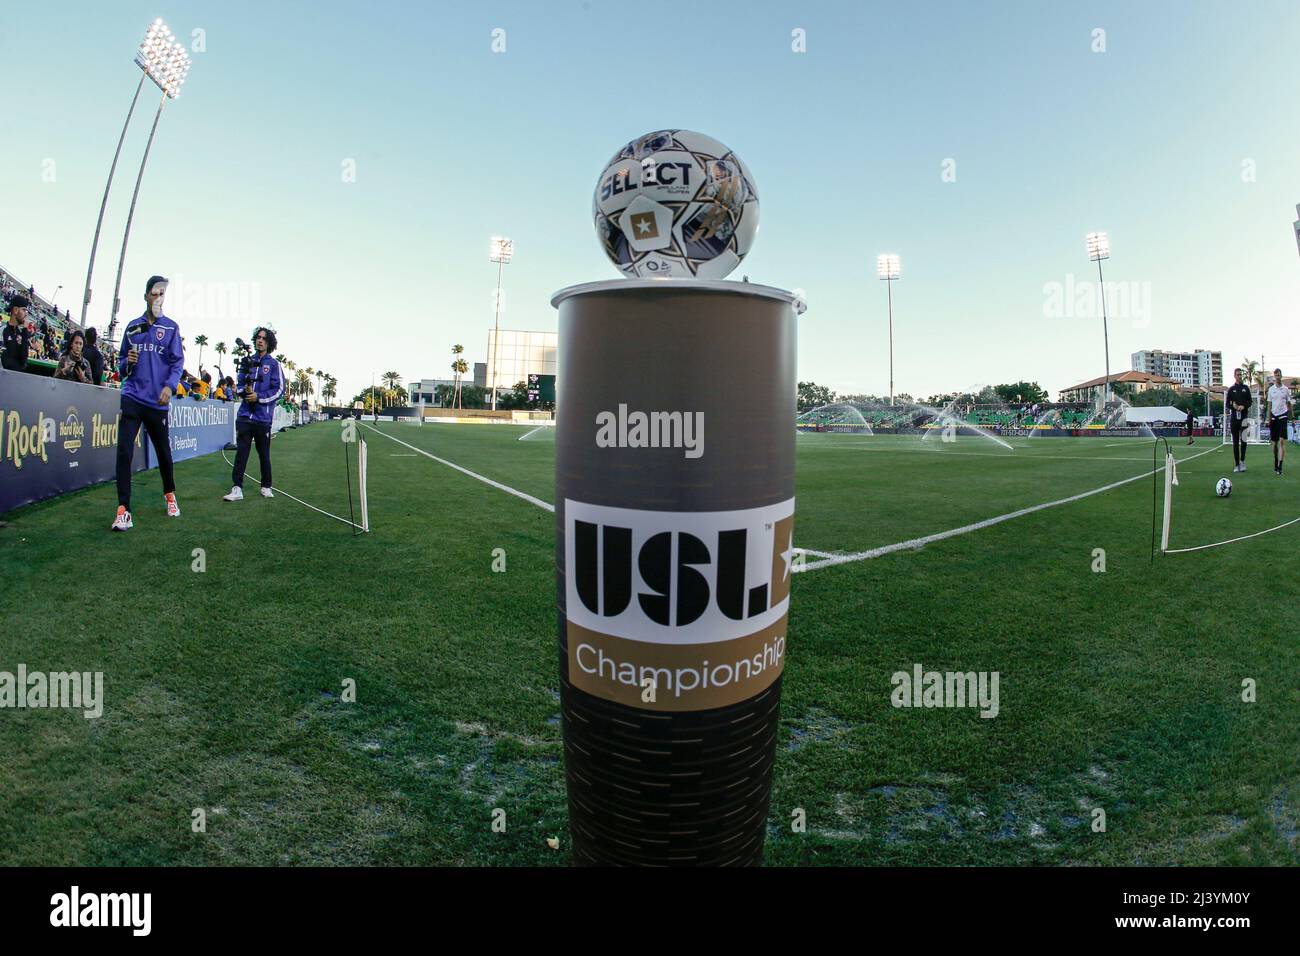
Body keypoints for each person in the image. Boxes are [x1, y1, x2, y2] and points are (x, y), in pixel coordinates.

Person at [111, 275, 185, 531]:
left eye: (162, 294)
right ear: (146, 296)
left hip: (157, 402)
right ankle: (123, 510)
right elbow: (120, 365)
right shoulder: (132, 327)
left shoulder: (172, 328)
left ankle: (170, 495)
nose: (158, 297)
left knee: (164, 453)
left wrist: (169, 385)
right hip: (132, 396)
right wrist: (127, 362)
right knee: (124, 451)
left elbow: (177, 362)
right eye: (154, 293)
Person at [223, 327, 283, 501]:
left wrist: (259, 397)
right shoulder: (246, 361)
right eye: (258, 337)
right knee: (241, 452)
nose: (260, 340)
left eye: (264, 338)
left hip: (263, 418)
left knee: (264, 454)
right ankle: (237, 488)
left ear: (269, 342)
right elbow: (239, 385)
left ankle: (266, 486)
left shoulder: (274, 364)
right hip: (244, 416)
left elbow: (278, 390)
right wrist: (245, 393)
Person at [1225, 368, 1252, 473]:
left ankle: (1242, 461)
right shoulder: (1231, 389)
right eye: (1237, 375)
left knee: (1244, 440)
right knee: (1235, 442)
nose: (1239, 376)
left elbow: (1250, 402)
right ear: (1234, 376)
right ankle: (1236, 465)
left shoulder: (1246, 388)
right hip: (1234, 419)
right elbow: (1228, 404)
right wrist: (1234, 406)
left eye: (1240, 375)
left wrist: (1243, 406)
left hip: (1244, 418)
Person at [1267, 368, 1291, 477]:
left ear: (1281, 376)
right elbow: (1269, 405)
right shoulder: (1271, 390)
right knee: (1275, 442)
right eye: (1275, 375)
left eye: (1279, 374)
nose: (1277, 376)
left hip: (1283, 415)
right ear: (1274, 376)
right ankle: (1276, 460)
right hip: (1273, 416)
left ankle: (1280, 466)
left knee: (1281, 441)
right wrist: (1268, 418)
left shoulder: (1285, 389)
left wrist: (1291, 417)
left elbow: (1289, 403)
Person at [2, 294, 32, 371]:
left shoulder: (21, 332)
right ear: (15, 310)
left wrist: (25, 331)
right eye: (24, 310)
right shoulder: (3, 330)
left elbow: (23, 359)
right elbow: (11, 358)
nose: (26, 314)